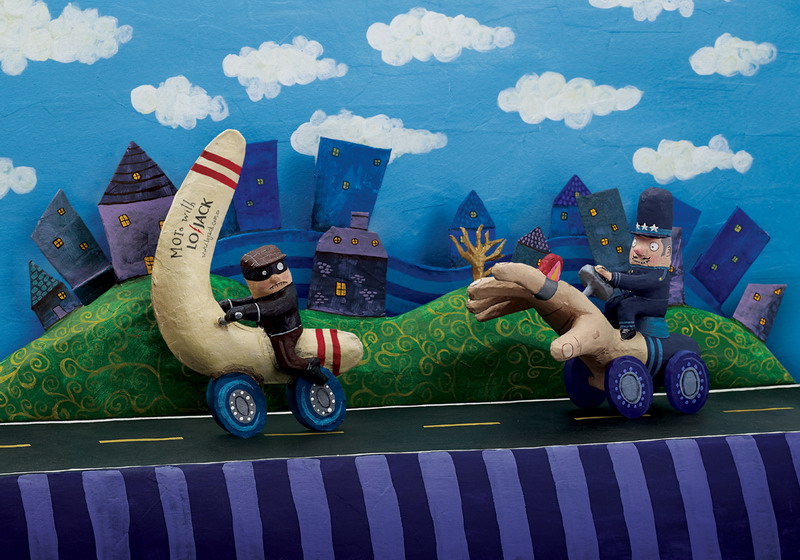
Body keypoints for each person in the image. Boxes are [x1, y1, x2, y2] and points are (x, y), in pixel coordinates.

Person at [218, 244, 328, 384]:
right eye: (265, 274)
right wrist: (232, 304)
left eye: (279, 268)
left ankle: (310, 365)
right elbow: (257, 301)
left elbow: (271, 308)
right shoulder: (266, 293)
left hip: (285, 332)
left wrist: (243, 311)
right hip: (269, 330)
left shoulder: (288, 294)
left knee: (286, 362)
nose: (275, 278)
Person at [595, 187, 673, 340]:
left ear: (667, 251)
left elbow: (640, 282)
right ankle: (610, 325)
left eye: (652, 246)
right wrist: (608, 277)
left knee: (628, 305)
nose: (638, 250)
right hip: (637, 298)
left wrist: (613, 277)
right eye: (637, 242)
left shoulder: (659, 274)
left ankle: (628, 330)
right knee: (614, 302)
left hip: (653, 304)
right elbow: (629, 276)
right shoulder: (638, 268)